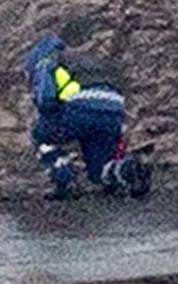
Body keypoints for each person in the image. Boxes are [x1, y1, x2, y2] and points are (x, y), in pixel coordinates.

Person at [27, 35, 138, 199]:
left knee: (41, 136)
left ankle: (65, 179)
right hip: (113, 111)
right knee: (99, 172)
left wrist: (51, 117)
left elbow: (45, 99)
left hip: (82, 110)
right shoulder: (86, 61)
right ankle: (127, 171)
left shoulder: (46, 61)